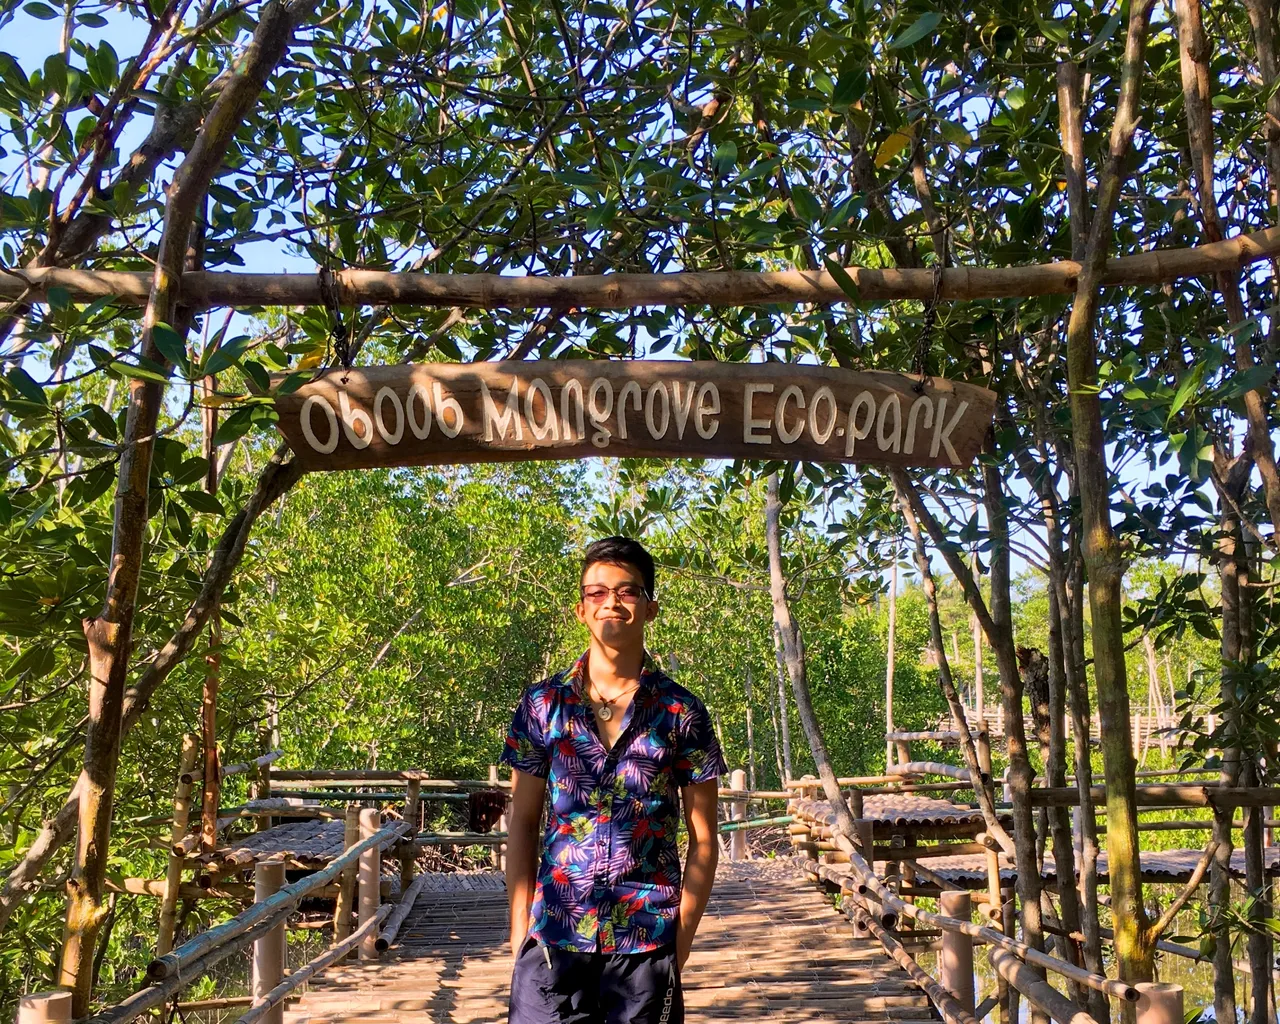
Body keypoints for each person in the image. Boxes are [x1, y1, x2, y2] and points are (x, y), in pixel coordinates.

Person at [500, 536, 728, 1024]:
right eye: (597, 592)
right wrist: (520, 928)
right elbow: (521, 821)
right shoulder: (543, 705)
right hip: (552, 939)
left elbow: (705, 839)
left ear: (650, 608)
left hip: (646, 942)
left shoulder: (681, 711)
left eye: (627, 592)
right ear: (580, 609)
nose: (611, 602)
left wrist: (679, 942)